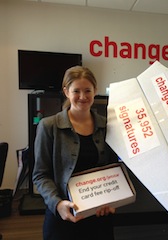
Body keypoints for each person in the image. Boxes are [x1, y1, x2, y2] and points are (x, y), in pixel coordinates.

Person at [32, 66, 119, 240]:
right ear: (66, 91)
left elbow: (114, 168)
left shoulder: (108, 126)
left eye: (88, 90)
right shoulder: (49, 126)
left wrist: (113, 199)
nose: (82, 96)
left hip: (99, 216)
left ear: (95, 90)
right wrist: (58, 204)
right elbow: (40, 175)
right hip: (63, 217)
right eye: (76, 91)